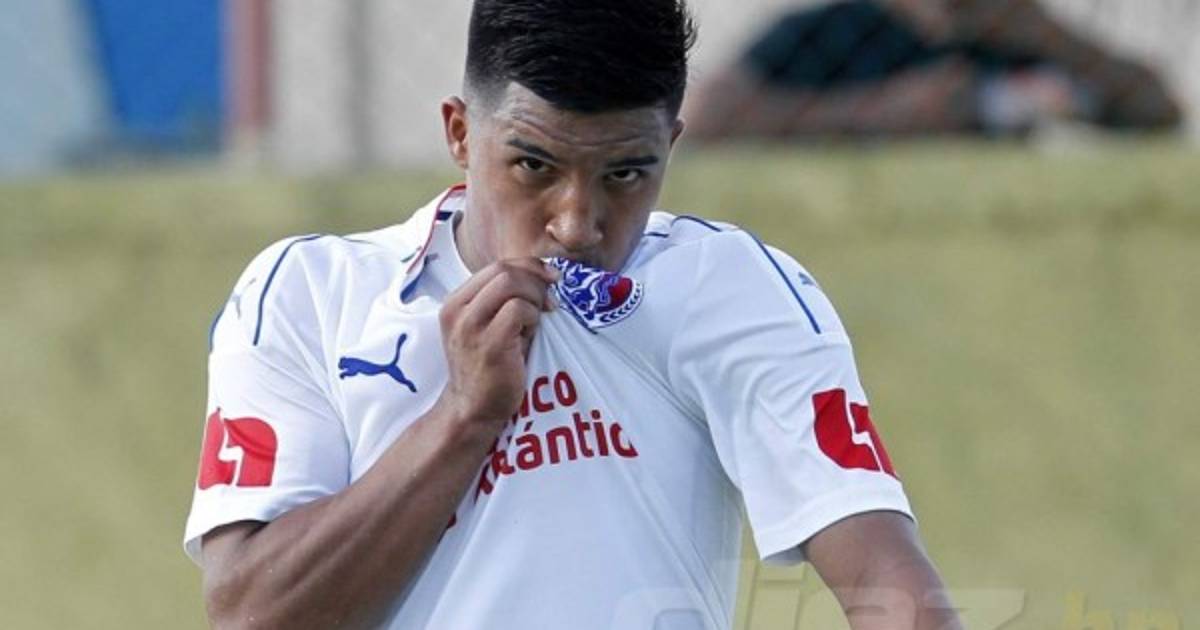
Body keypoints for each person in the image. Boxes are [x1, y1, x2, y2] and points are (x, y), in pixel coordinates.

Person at [184, 1, 963, 628]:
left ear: (671, 146)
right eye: (534, 165)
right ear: (460, 132)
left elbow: (885, 577)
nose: (577, 223)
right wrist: (464, 415)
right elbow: (253, 612)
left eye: (626, 174)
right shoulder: (308, 293)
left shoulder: (729, 287)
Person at [685, 0, 1183, 140]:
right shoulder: (832, 30)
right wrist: (875, 113)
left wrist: (1048, 34)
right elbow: (708, 120)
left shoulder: (1014, 35)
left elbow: (1160, 111)